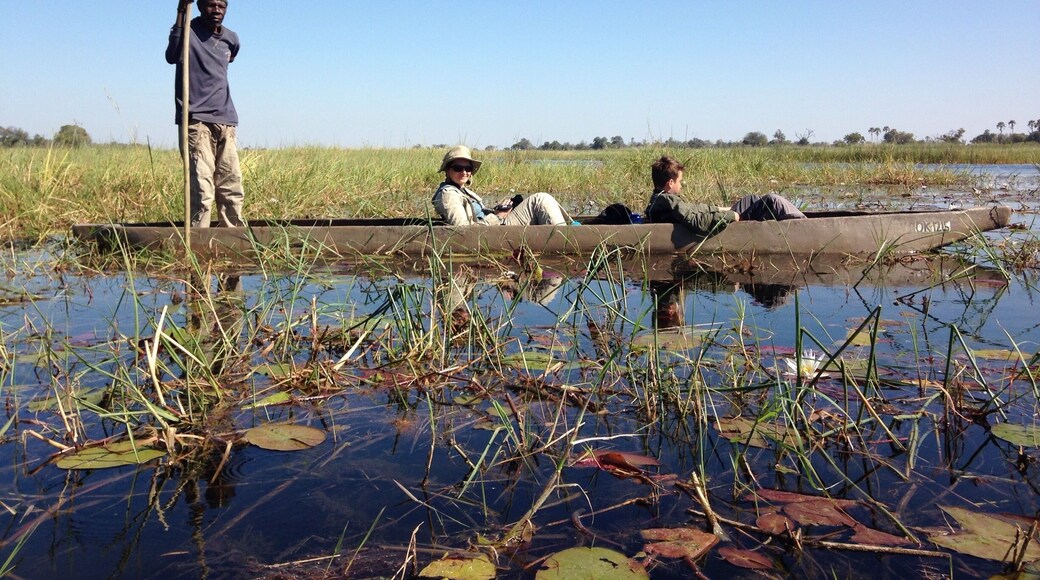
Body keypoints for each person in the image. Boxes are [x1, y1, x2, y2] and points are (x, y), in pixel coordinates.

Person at [165, 0, 245, 228]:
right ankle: (200, 240)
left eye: (222, 5)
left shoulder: (231, 39)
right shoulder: (187, 31)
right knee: (202, 188)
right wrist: (181, 9)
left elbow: (231, 56)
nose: (217, 10)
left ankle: (234, 239)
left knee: (231, 185)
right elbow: (172, 56)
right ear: (199, 5)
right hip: (196, 120)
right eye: (211, 5)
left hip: (226, 120)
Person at [645, 156, 805, 237]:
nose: (682, 184)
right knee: (771, 200)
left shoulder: (659, 198)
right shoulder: (668, 201)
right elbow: (696, 222)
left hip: (717, 215)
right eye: (680, 181)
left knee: (752, 199)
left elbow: (692, 209)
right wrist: (731, 215)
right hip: (720, 222)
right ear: (671, 183)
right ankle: (803, 227)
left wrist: (718, 208)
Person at [432, 146, 571, 226]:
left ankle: (570, 228)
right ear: (447, 170)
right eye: (457, 168)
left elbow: (477, 216)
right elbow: (463, 231)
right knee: (540, 199)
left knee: (541, 199)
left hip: (495, 224)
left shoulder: (460, 190)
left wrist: (497, 210)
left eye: (467, 168)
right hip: (493, 231)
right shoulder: (448, 194)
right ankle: (566, 237)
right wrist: (497, 217)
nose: (464, 172)